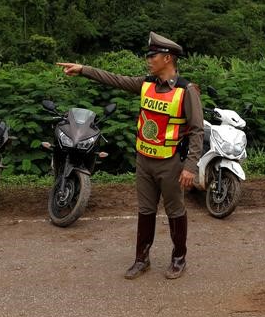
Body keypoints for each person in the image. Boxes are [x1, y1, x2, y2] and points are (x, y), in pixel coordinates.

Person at [56, 32, 203, 280]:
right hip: (144, 161)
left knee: (175, 211)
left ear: (167, 58)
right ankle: (141, 259)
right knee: (145, 211)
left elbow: (198, 130)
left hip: (170, 164)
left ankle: (179, 259)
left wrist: (190, 166)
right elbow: (115, 79)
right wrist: (84, 69)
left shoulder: (186, 91)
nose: (148, 60)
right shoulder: (145, 84)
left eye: (152, 56)